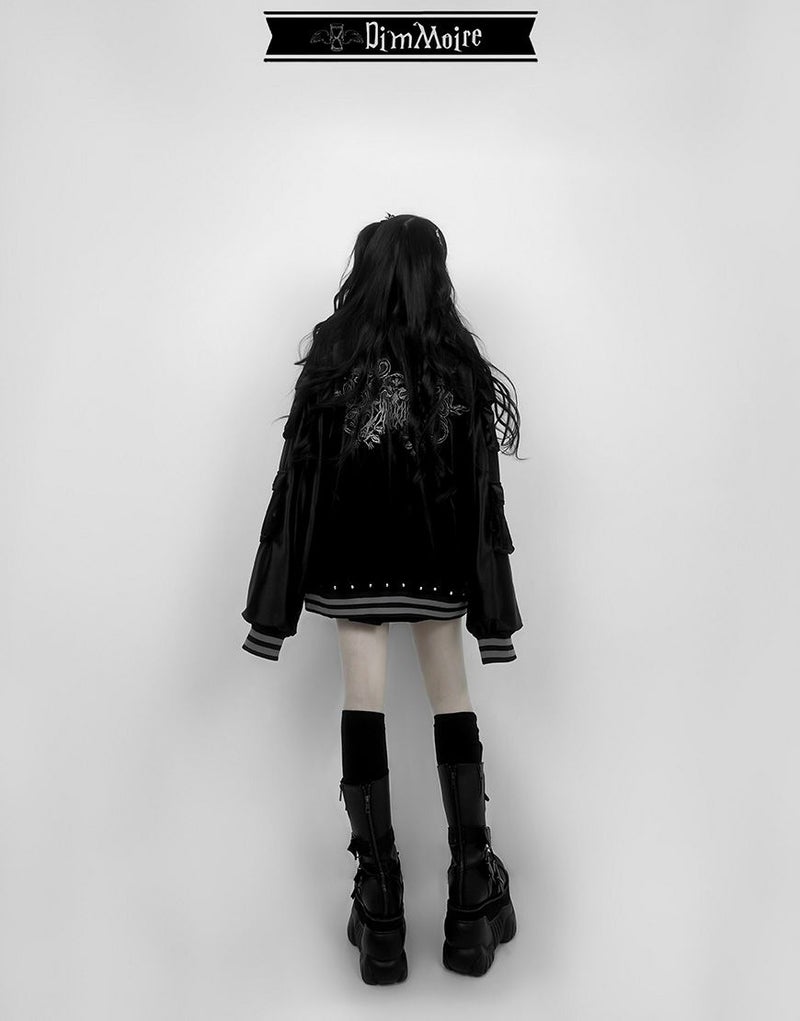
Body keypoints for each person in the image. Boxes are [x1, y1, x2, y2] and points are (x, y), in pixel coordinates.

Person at [240, 213, 523, 983]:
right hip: (438, 566)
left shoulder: (334, 357)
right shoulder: (457, 363)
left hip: (352, 564)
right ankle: (472, 890)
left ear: (363, 271)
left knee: (361, 696)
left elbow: (297, 481)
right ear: (436, 274)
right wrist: (493, 615)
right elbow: (484, 498)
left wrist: (273, 610)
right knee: (450, 694)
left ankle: (381, 903)